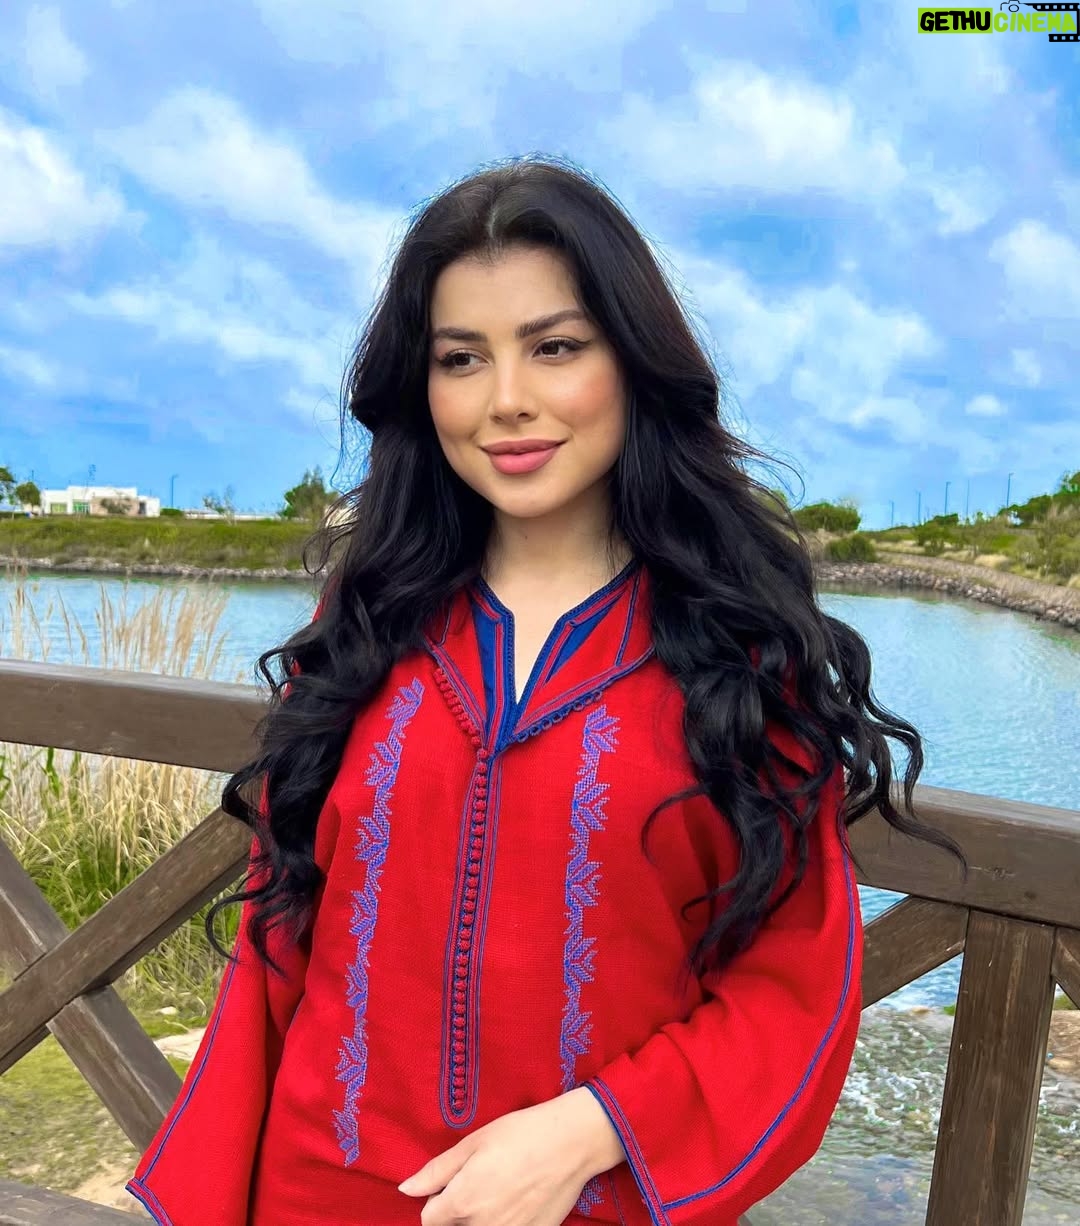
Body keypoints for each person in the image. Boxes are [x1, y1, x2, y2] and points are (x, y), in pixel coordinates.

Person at [125, 155, 963, 1226]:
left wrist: (595, 1125)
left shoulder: (737, 653)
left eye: (555, 347)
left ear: (633, 361)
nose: (507, 400)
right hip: (316, 1192)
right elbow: (280, 946)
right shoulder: (367, 628)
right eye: (461, 358)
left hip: (590, 1198)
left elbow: (794, 981)